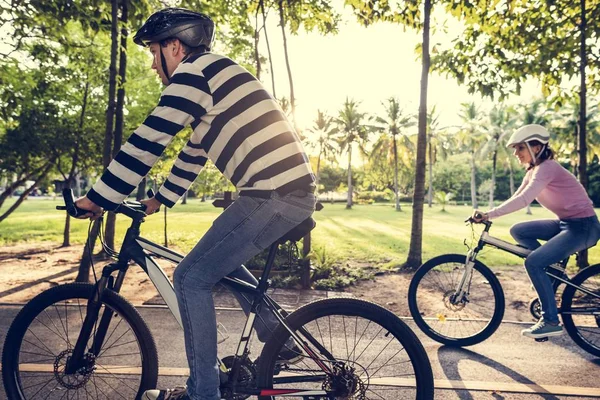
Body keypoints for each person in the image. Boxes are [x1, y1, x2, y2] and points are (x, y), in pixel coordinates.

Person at [74, 7, 316, 400]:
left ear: (174, 46)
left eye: (154, 53)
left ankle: (203, 393)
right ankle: (281, 342)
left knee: (190, 277)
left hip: (273, 193)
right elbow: (193, 153)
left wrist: (98, 198)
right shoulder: (212, 78)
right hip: (283, 192)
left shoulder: (195, 71)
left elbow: (148, 140)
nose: (154, 65)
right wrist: (158, 200)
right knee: (223, 263)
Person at [472, 124, 600, 339]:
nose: (516, 154)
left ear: (537, 147)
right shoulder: (533, 170)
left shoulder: (547, 168)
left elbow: (524, 200)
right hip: (566, 223)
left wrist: (489, 215)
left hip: (583, 227)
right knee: (520, 231)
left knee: (533, 262)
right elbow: (517, 196)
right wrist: (488, 213)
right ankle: (552, 272)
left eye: (520, 148)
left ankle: (550, 320)